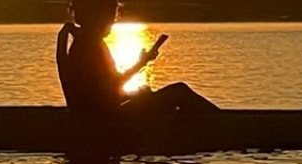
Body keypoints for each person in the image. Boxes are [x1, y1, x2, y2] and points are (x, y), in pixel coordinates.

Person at [57, 0, 215, 119]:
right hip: (107, 122)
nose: (112, 24)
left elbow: (104, 91)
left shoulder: (90, 43)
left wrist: (135, 96)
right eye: (110, 19)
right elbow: (109, 89)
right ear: (97, 17)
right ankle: (222, 123)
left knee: (155, 97)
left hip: (105, 115)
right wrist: (141, 63)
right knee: (180, 91)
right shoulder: (87, 47)